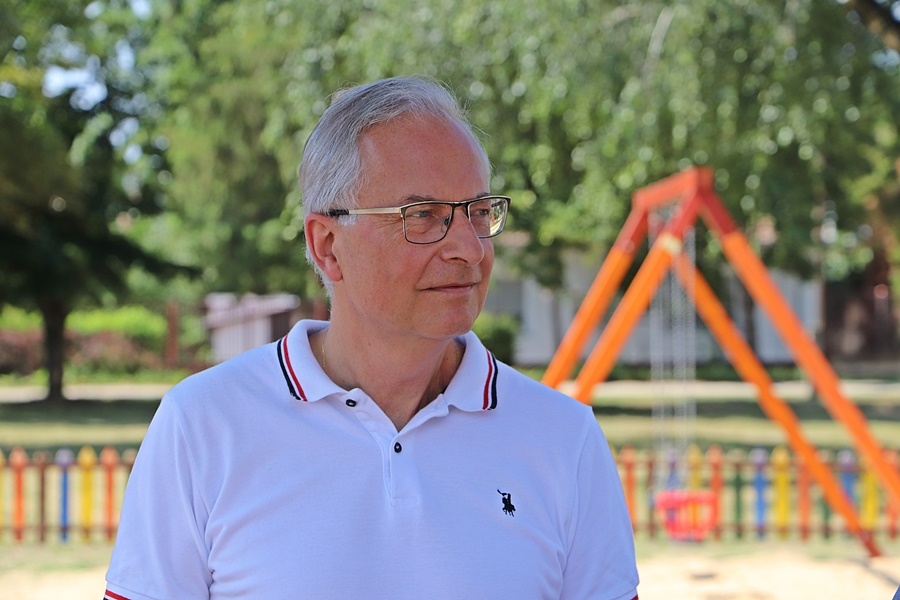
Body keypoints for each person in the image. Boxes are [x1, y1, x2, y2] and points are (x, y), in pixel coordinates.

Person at [104, 75, 639, 600]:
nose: (470, 249)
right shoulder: (202, 426)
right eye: (423, 216)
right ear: (328, 246)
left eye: (478, 213)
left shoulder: (564, 439)